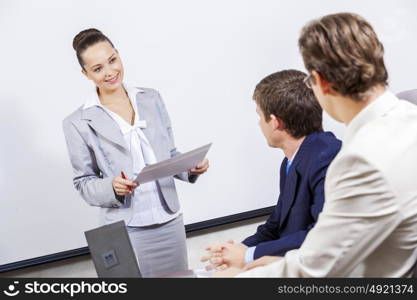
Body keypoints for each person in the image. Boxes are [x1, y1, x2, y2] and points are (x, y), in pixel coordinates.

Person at [216, 12, 417, 277]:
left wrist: (236, 278)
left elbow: (316, 269)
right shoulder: (409, 117)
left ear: (320, 82)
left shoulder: (361, 159)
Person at [62, 29, 209, 277]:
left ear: (118, 55)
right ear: (85, 74)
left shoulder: (150, 98)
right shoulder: (77, 122)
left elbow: (169, 153)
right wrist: (112, 187)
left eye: (112, 60)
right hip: (123, 228)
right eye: (97, 69)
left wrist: (189, 167)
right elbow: (83, 183)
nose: (109, 72)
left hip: (169, 221)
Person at [201, 70, 341, 271]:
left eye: (259, 115)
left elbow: (322, 235)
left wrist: (248, 256)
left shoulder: (327, 157)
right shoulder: (291, 160)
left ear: (275, 122)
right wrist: (238, 249)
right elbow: (276, 224)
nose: (259, 123)